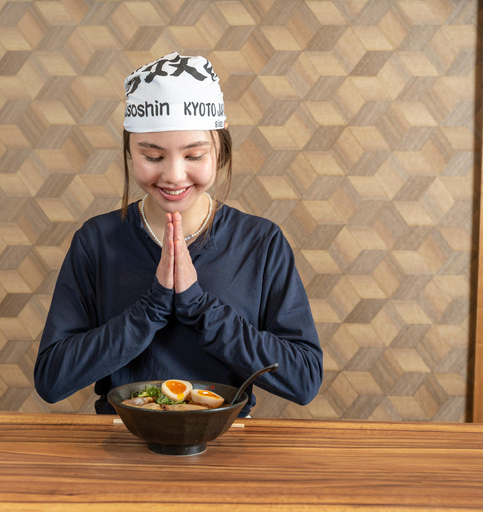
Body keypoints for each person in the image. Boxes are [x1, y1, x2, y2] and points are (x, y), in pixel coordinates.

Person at [34, 53, 322, 417]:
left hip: (226, 447)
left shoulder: (260, 242)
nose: (173, 175)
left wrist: (199, 307)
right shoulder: (96, 240)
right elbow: (51, 379)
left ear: (220, 152)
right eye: (152, 157)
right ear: (129, 152)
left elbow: (304, 379)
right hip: (122, 446)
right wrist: (151, 307)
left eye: (194, 155)